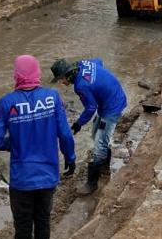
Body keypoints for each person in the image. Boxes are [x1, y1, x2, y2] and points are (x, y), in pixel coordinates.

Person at [0, 55, 76, 239]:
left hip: (22, 180)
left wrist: (15, 143)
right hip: (48, 176)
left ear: (16, 75)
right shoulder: (52, 98)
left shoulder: (7, 103)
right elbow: (65, 135)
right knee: (43, 222)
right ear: (37, 73)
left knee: (23, 225)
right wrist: (70, 158)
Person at [50, 57, 127, 196]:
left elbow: (91, 107)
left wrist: (79, 123)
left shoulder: (80, 86)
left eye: (61, 79)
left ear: (68, 74)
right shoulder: (83, 64)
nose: (61, 83)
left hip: (112, 107)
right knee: (95, 134)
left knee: (99, 144)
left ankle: (92, 184)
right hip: (112, 97)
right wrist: (101, 84)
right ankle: (104, 168)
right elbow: (99, 61)